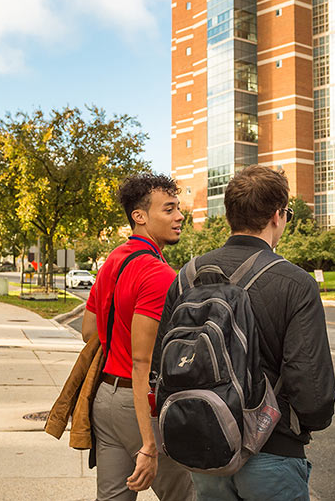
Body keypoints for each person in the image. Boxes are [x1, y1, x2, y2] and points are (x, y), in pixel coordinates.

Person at [155, 165, 335, 501]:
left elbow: (161, 368)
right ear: (277, 216)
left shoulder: (185, 277)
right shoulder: (295, 283)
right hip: (272, 449)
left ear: (229, 216)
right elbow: (313, 393)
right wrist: (302, 426)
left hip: (204, 447)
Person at [81, 174, 193, 500]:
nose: (179, 216)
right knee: (187, 496)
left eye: (178, 208)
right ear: (139, 217)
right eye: (169, 209)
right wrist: (148, 443)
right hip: (140, 405)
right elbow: (142, 361)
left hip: (105, 398)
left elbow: (90, 331)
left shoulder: (113, 261)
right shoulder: (158, 274)